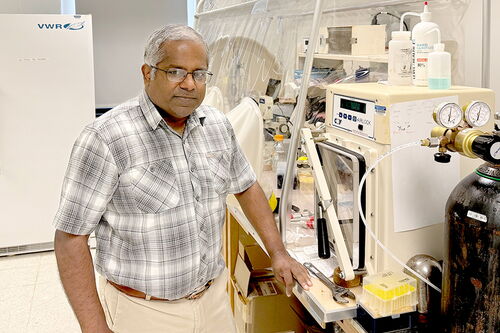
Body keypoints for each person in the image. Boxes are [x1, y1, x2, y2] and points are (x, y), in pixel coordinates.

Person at [53, 24, 312, 333]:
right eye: (176, 72)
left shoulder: (216, 125)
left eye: (199, 74)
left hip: (213, 300)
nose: (190, 84)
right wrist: (94, 327)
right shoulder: (106, 138)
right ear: (147, 73)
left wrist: (278, 253)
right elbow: (70, 238)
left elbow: (246, 185)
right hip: (144, 311)